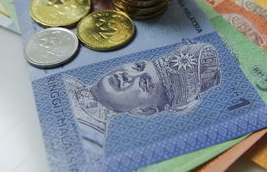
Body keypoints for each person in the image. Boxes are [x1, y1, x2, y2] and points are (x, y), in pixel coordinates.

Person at [63, 39, 221, 160]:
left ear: (144, 110)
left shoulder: (88, 147)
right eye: (138, 67)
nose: (128, 75)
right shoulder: (65, 80)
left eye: (144, 83)